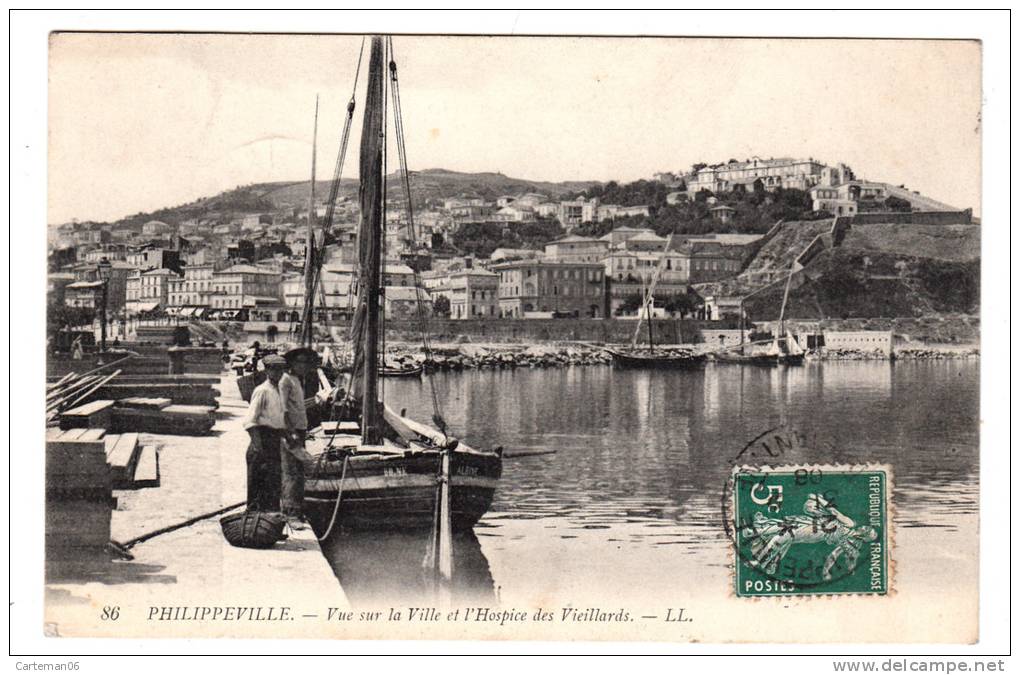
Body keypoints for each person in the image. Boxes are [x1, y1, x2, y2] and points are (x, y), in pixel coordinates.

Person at [241, 354, 287, 513]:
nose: (278, 373)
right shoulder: (262, 391)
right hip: (262, 439)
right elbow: (249, 421)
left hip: (274, 440)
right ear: (267, 370)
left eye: (281, 369)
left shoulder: (279, 390)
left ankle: (271, 526)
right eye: (274, 369)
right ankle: (255, 527)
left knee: (273, 485)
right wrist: (258, 445)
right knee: (258, 486)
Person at [279, 347, 318, 528]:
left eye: (306, 362)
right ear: (292, 364)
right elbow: (283, 409)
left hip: (300, 430)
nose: (304, 366)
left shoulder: (297, 380)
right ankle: (290, 513)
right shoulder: (286, 380)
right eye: (300, 362)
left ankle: (297, 509)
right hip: (291, 431)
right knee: (291, 471)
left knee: (299, 470)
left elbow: (298, 407)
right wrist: (290, 432)